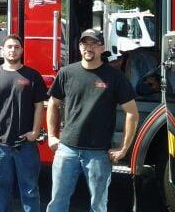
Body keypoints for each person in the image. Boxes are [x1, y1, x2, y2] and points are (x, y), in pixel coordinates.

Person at [46, 29, 139, 212]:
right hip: (67, 150)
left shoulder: (115, 77)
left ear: (102, 47)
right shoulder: (66, 73)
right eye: (85, 44)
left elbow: (132, 113)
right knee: (57, 202)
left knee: (98, 205)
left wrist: (124, 148)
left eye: (94, 44)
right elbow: (52, 104)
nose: (89, 48)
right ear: (80, 47)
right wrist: (51, 136)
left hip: (98, 153)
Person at [0, 34, 48, 212]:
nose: (13, 50)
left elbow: (39, 107)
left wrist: (34, 132)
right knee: (0, 190)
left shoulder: (33, 76)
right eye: (9, 47)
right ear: (3, 50)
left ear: (22, 50)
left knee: (30, 191)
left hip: (25, 145)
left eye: (16, 47)